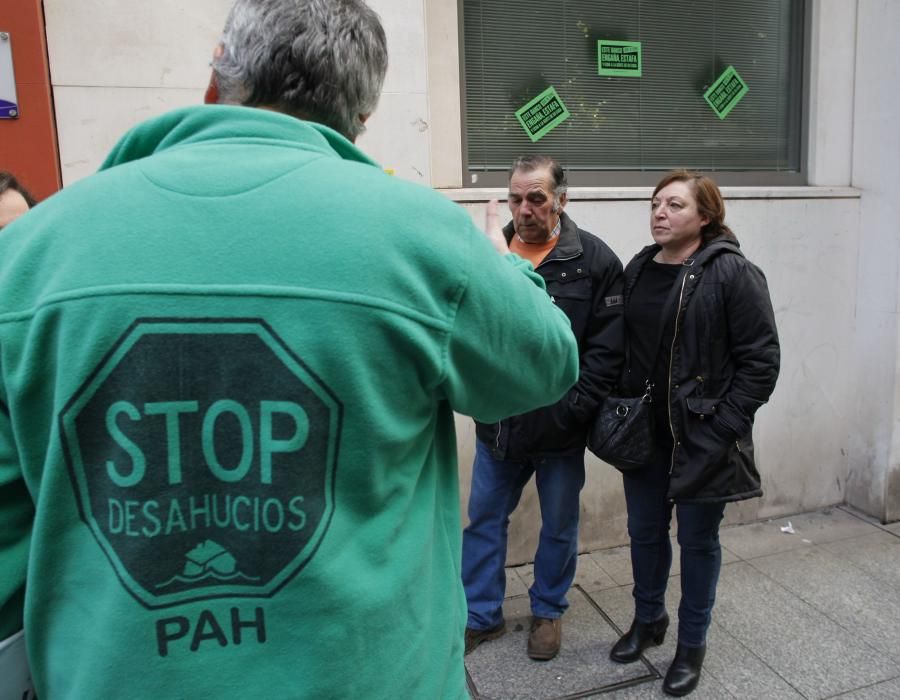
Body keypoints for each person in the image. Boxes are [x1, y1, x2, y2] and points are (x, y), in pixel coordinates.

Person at [0, 1, 581, 698]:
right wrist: (509, 260)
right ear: (360, 120)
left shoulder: (28, 254)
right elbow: (546, 363)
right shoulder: (419, 236)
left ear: (217, 79)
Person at [608, 170, 779, 696]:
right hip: (645, 436)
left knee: (699, 541)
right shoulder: (639, 266)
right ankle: (648, 620)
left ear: (705, 216)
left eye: (675, 205)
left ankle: (691, 645)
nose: (659, 212)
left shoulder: (731, 273)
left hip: (703, 437)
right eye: (656, 203)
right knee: (644, 533)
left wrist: (725, 425)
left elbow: (761, 362)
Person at [462, 155, 625, 661]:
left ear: (561, 199)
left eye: (536, 197)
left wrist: (573, 407)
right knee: (484, 521)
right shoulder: (487, 254)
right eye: (515, 198)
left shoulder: (593, 261)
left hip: (560, 430)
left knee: (558, 525)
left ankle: (548, 611)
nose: (525, 208)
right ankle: (481, 615)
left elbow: (607, 349)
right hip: (500, 426)